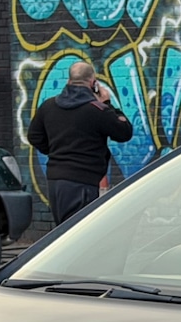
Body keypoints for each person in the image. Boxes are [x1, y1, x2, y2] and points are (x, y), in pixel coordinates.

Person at [28, 61, 133, 225]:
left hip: (56, 180)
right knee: (77, 231)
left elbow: (34, 136)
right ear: (93, 83)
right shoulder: (97, 110)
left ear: (69, 81)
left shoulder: (48, 106)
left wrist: (55, 151)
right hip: (83, 181)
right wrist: (107, 103)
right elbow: (124, 132)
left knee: (63, 231)